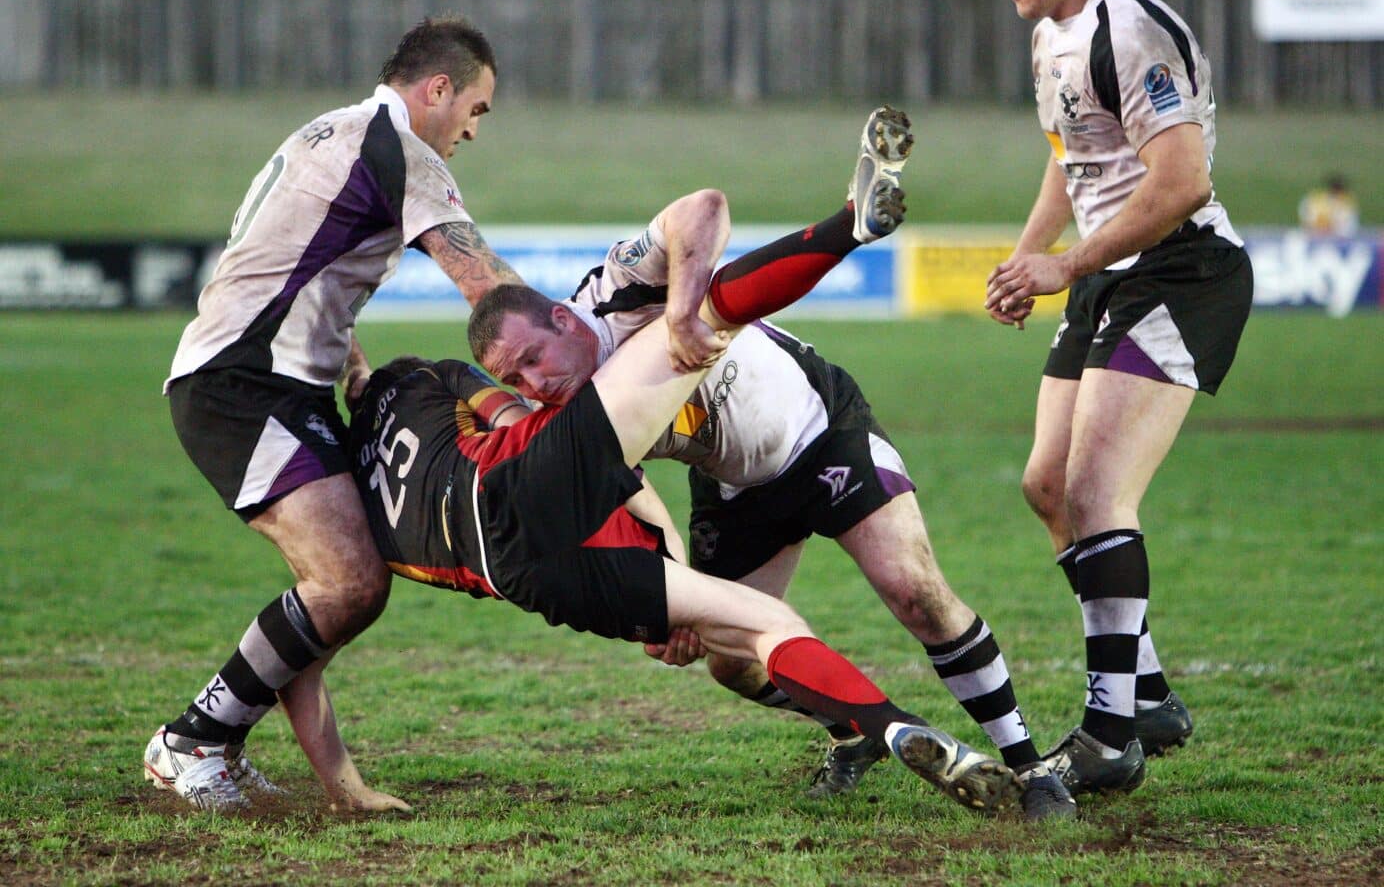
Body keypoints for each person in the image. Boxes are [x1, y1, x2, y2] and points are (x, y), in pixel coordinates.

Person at [346, 154, 1026, 817]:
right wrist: (666, 591)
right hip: (734, 488)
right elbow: (626, 490)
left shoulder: (614, 291)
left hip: (818, 432)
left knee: (917, 595)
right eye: (514, 381)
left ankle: (1026, 765)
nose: (535, 385)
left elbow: (703, 208)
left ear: (560, 317)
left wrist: (678, 308)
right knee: (732, 659)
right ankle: (854, 732)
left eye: (533, 360)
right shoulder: (561, 415)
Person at [143, 16, 522, 812]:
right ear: (438, 88)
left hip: (266, 382)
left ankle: (305, 772)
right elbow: (487, 285)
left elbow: (299, 266)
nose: (474, 130)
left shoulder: (324, 133)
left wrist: (354, 370)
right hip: (244, 386)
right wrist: (576, 369)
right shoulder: (398, 149)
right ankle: (192, 741)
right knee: (349, 580)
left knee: (335, 588)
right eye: (477, 109)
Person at [982, 0, 1254, 796]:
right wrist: (1028, 261)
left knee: (1097, 492)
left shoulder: (1129, 29)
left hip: (1182, 271)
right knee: (1047, 485)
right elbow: (1070, 163)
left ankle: (1108, 734)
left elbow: (1180, 182)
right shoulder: (1048, 36)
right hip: (1109, 275)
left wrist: (1066, 265)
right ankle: (1150, 693)